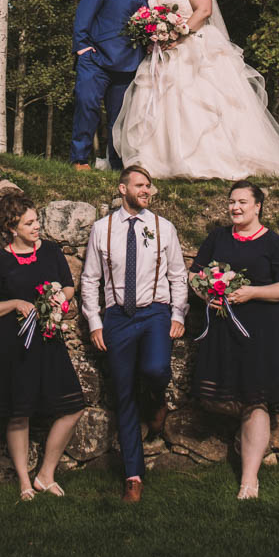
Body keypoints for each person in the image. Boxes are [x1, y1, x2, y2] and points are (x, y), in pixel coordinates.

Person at [111, 0, 279, 180]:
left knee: (198, 102)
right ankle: (162, 159)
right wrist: (154, 37)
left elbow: (203, 10)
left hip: (194, 48)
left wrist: (176, 34)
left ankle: (209, 158)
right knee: (163, 105)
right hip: (163, 54)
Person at [80, 165, 188, 502]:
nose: (146, 190)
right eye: (140, 185)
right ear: (122, 188)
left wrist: (178, 313)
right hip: (118, 317)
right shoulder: (102, 229)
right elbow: (90, 279)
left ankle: (155, 401)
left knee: (156, 369)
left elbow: (178, 274)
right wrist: (95, 321)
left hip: (155, 312)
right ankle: (133, 476)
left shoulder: (163, 227)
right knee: (123, 393)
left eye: (149, 186)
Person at [191, 180, 279, 500]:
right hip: (225, 329)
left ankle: (249, 479)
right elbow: (194, 274)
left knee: (256, 398)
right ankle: (245, 439)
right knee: (218, 396)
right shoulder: (217, 238)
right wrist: (207, 294)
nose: (235, 207)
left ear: (258, 206)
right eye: (231, 202)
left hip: (263, 331)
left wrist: (253, 292)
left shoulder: (275, 243)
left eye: (242, 202)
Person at [0, 193, 84, 500]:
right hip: (13, 345)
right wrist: (14, 303)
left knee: (73, 406)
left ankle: (46, 474)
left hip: (48, 340)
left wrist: (60, 298)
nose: (37, 227)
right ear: (12, 228)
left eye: (37, 221)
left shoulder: (50, 251)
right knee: (18, 412)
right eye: (29, 223)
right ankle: (24, 480)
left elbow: (68, 286)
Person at [71, 0, 154, 171]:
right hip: (96, 57)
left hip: (128, 63)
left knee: (120, 116)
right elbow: (85, 11)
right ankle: (79, 159)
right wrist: (82, 46)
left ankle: (117, 165)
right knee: (87, 106)